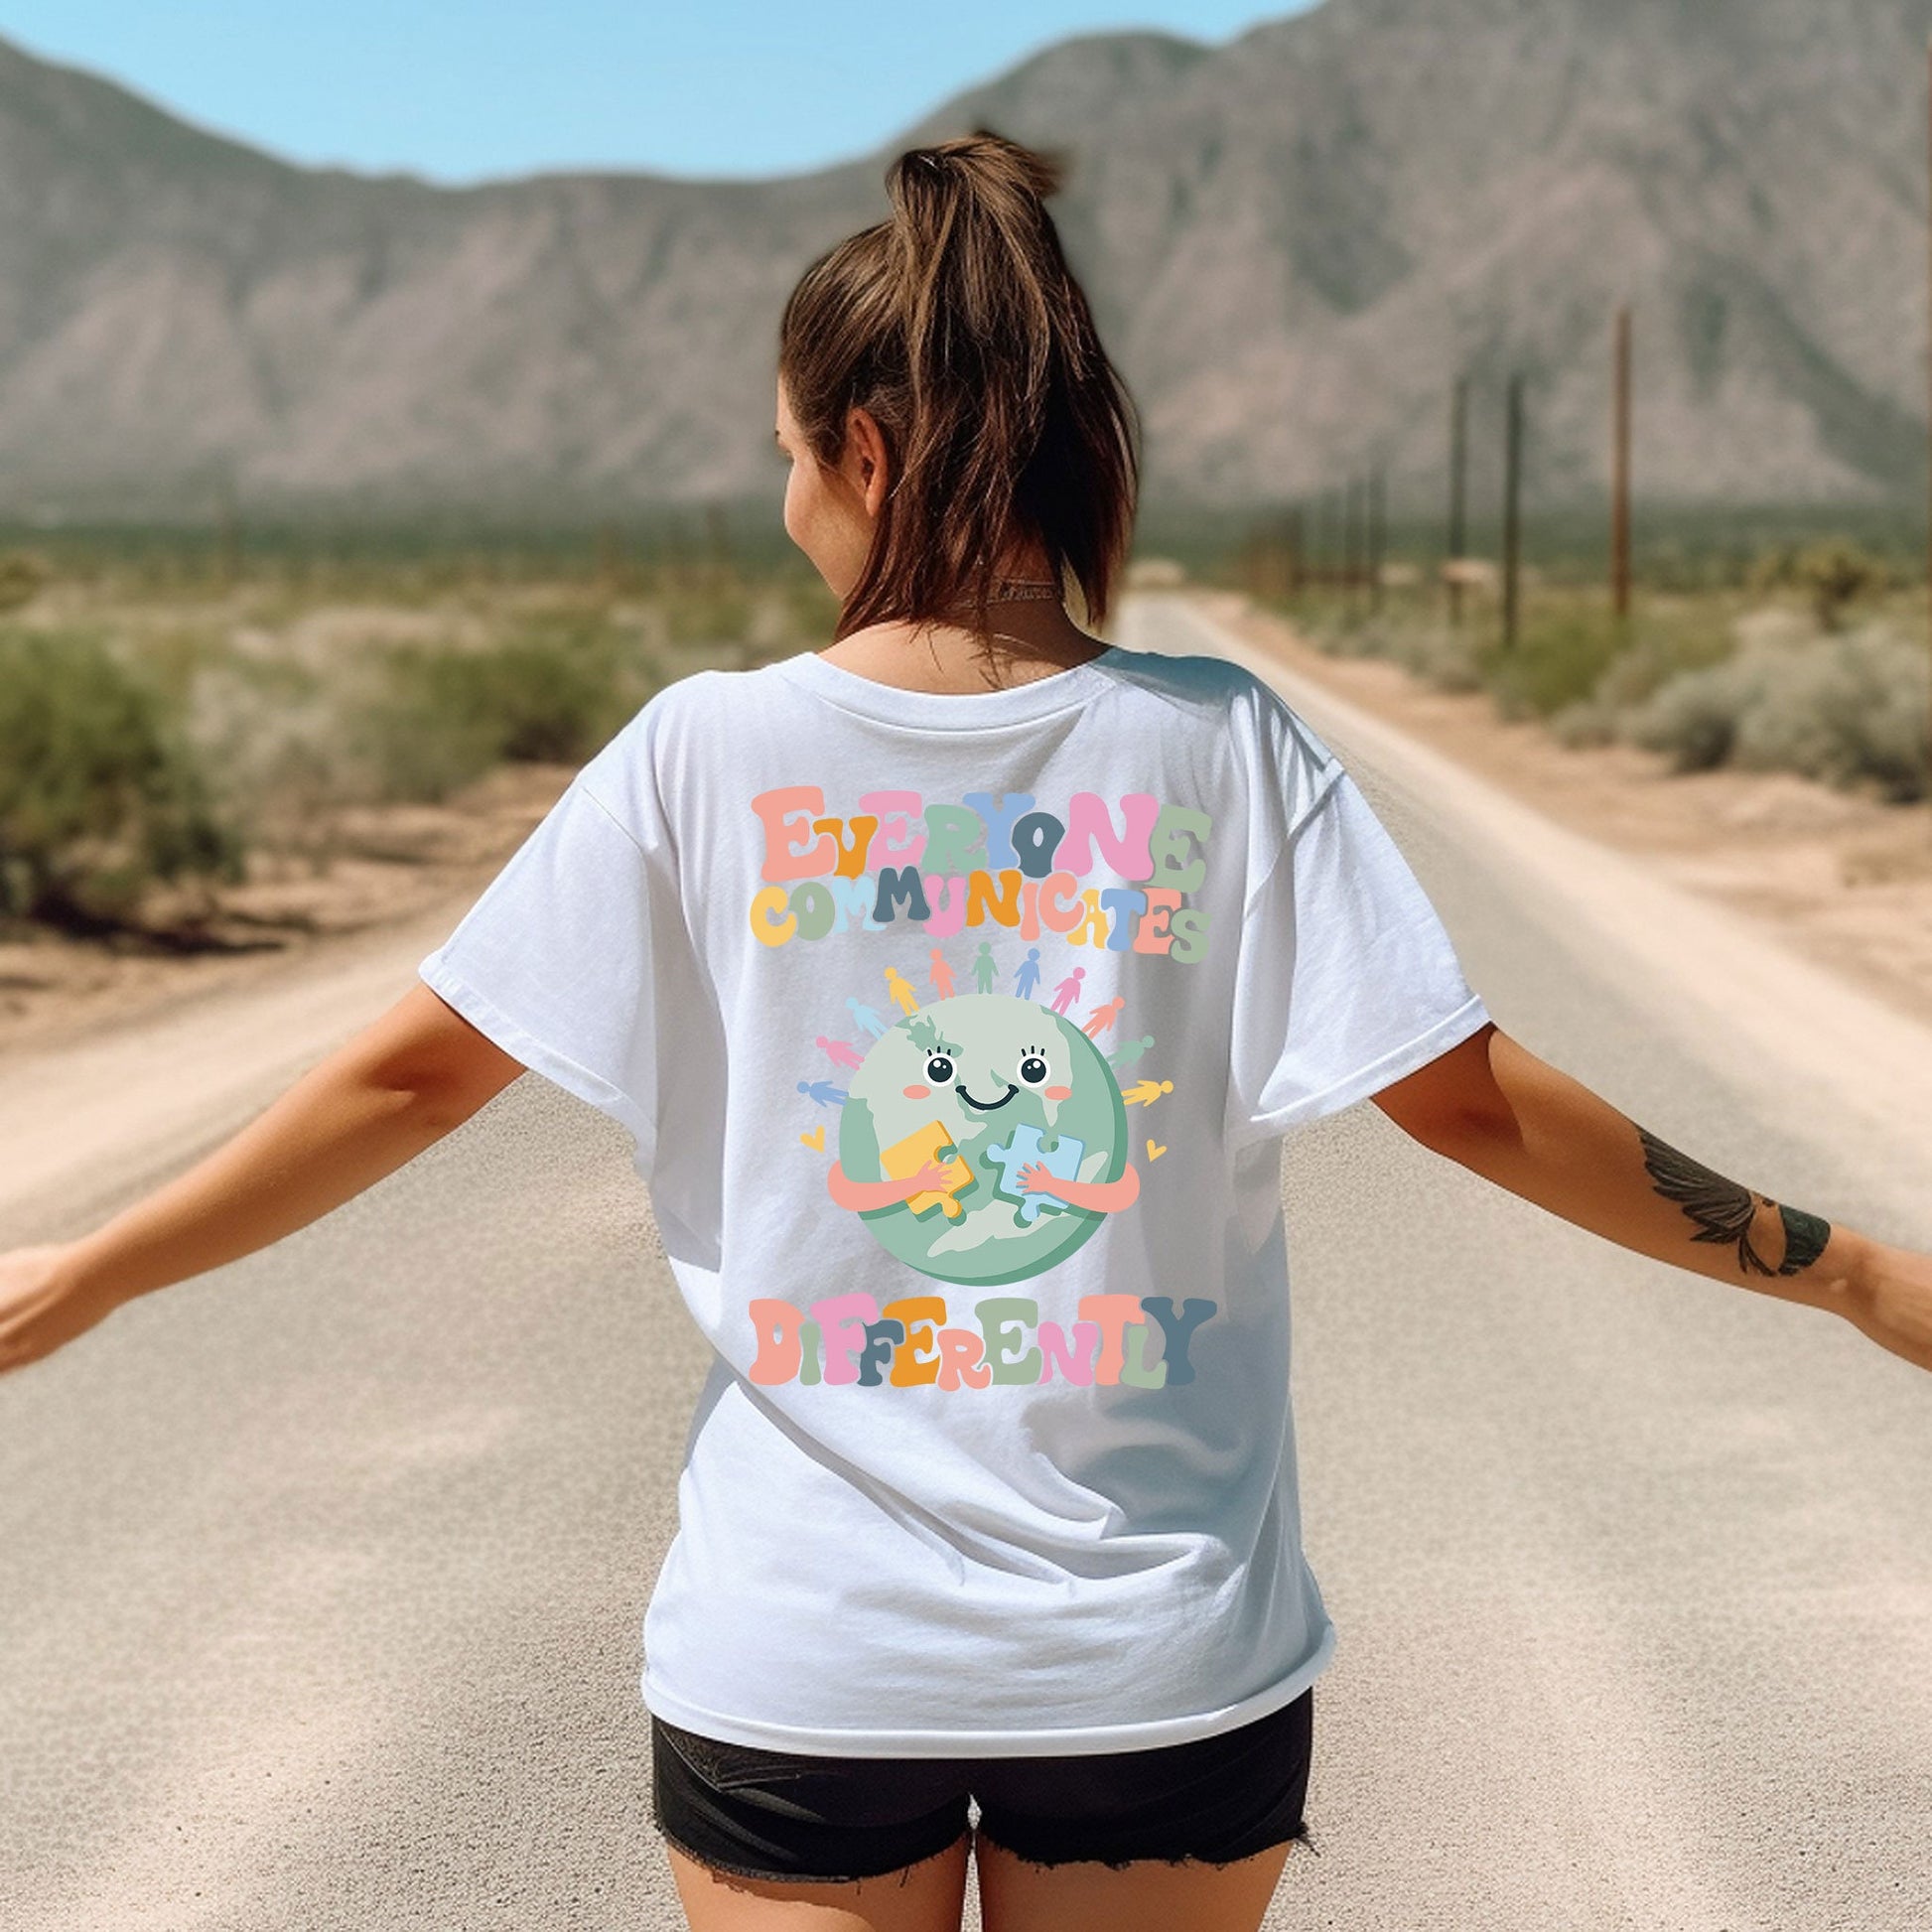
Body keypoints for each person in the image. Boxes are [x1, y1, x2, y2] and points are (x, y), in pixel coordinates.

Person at [2, 128, 1928, 1932]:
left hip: (807, 1658)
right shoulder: (1222, 745)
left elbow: (410, 1076)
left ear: (857, 447)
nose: (779, 503)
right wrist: (1843, 1274)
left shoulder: (702, 754)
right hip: (1156, 1660)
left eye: (779, 454)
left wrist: (92, 1274)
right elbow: (1480, 1112)